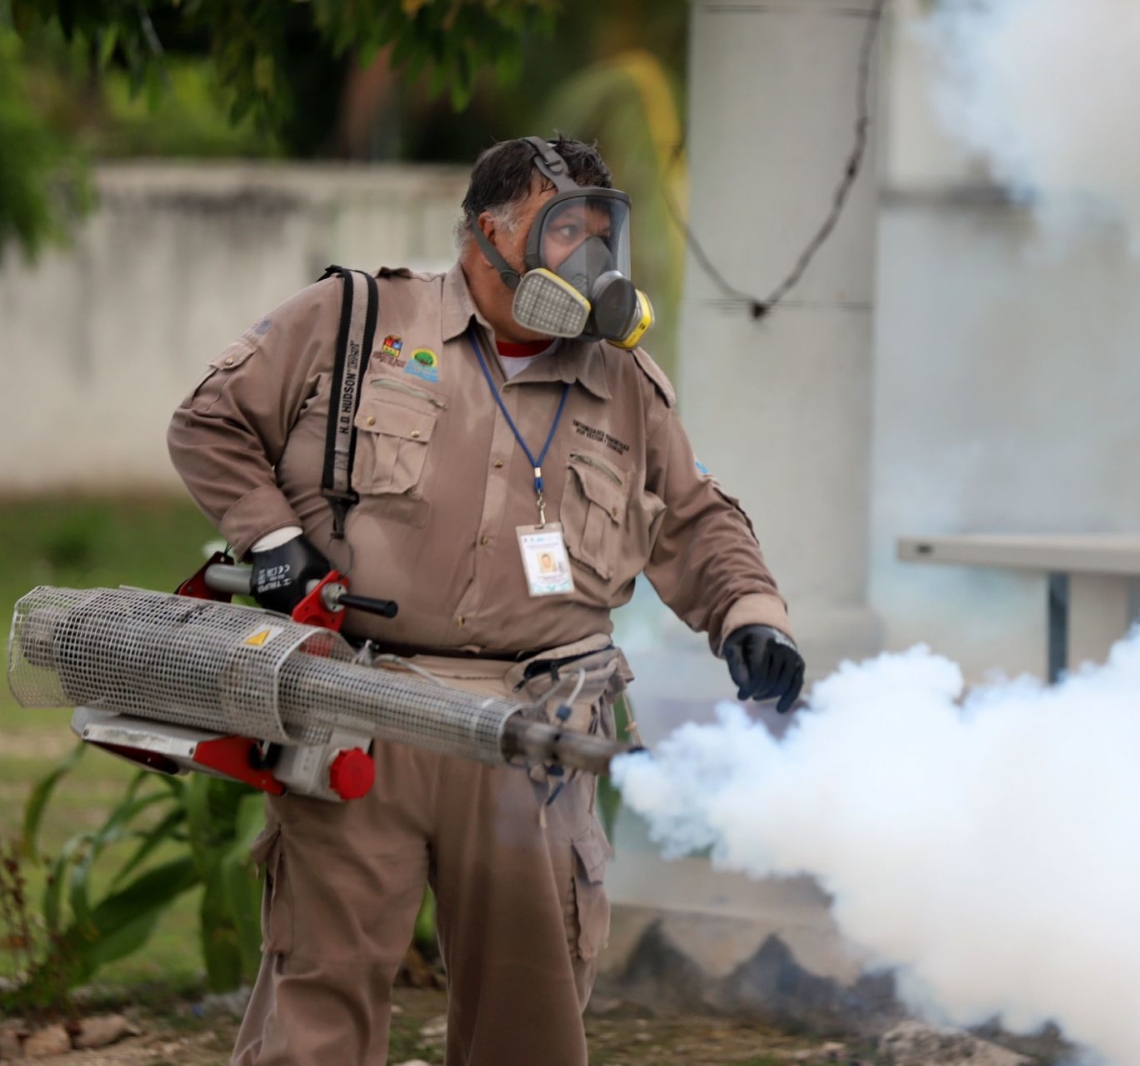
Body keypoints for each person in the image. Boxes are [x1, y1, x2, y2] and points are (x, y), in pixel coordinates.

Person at [167, 135, 805, 1066]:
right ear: (487, 235)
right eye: (564, 237)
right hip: (359, 706)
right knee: (319, 1008)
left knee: (530, 1024)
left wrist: (751, 613)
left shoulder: (623, 381)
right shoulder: (354, 320)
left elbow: (698, 518)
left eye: (600, 239)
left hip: (535, 730)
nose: (589, 266)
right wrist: (270, 539)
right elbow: (210, 423)